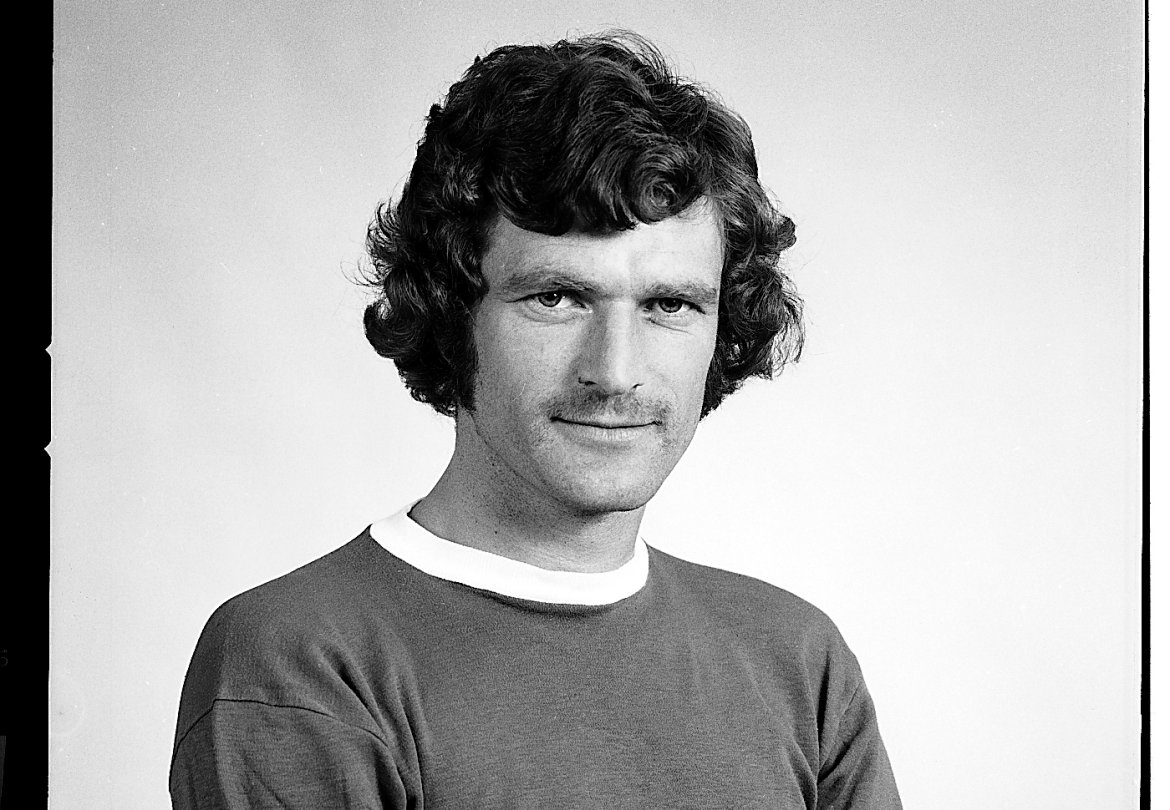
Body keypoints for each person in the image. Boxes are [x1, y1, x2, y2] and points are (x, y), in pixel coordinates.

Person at [170, 31, 902, 809]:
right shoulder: (299, 662)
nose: (615, 371)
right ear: (453, 313)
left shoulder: (799, 661)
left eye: (669, 304)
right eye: (556, 297)